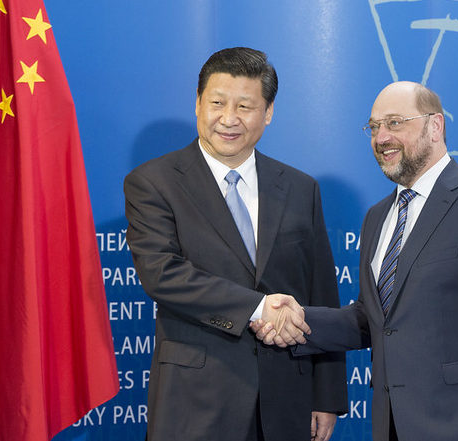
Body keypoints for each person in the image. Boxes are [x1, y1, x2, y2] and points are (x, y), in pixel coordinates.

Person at [253, 81, 458, 441]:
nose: (381, 137)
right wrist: (294, 319)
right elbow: (373, 320)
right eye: (374, 127)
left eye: (394, 123)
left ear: (435, 126)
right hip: (391, 426)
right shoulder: (377, 217)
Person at [124, 47, 347, 441]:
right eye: (217, 103)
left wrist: (326, 395)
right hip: (196, 401)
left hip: (287, 401)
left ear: (268, 112)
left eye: (245, 106)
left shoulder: (299, 188)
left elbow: (321, 295)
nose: (228, 119)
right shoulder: (154, 182)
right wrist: (259, 307)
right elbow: (163, 275)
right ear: (197, 104)